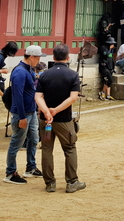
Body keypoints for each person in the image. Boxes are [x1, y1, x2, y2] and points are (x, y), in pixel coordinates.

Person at [35, 44, 86, 194]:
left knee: (46, 150)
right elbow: (73, 98)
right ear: (68, 57)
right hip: (63, 119)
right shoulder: (72, 75)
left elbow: (38, 97)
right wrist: (56, 110)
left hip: (46, 119)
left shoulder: (44, 75)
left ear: (53, 57)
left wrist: (47, 112)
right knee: (70, 148)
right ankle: (72, 182)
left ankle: (50, 183)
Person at [4, 45, 46, 184]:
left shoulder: (28, 69)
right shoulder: (20, 72)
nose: (39, 61)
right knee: (17, 142)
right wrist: (22, 117)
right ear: (32, 57)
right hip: (22, 113)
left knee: (33, 139)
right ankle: (10, 172)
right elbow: (18, 96)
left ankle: (31, 167)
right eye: (38, 58)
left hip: (31, 111)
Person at [98, 36, 116, 101]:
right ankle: (102, 92)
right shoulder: (103, 48)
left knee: (108, 81)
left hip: (110, 66)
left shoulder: (112, 50)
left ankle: (108, 95)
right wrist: (109, 49)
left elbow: (112, 58)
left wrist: (114, 66)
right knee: (109, 79)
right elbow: (106, 55)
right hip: (104, 66)